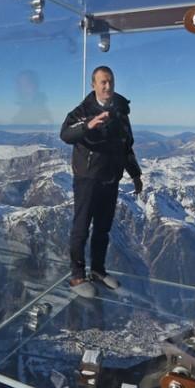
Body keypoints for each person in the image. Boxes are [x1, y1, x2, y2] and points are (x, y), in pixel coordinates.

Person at [60, 65, 143, 298]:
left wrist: (135, 174)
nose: (108, 86)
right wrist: (88, 125)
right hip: (87, 178)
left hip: (110, 177)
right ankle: (77, 276)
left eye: (110, 81)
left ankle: (97, 270)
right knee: (81, 227)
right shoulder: (84, 110)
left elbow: (126, 145)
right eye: (103, 82)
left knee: (103, 228)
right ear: (93, 85)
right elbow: (65, 134)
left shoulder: (120, 111)